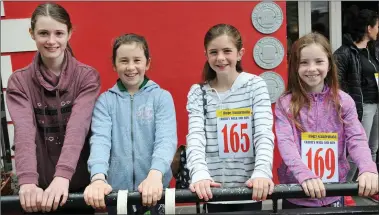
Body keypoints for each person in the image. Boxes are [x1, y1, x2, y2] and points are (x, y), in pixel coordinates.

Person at [6, 2, 100, 214]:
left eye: (58, 33)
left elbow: (78, 128)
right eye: (43, 33)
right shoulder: (19, 82)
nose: (51, 41)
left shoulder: (87, 77)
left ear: (69, 33)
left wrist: (63, 176)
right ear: (32, 33)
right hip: (37, 189)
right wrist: (28, 181)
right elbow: (24, 132)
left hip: (77, 185)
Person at [276, 32, 379, 209]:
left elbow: (356, 138)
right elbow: (286, 142)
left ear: (330, 65)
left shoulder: (344, 101)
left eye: (319, 61)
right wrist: (305, 175)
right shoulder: (286, 103)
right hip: (297, 192)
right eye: (304, 62)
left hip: (333, 191)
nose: (311, 68)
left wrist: (368, 168)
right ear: (295, 66)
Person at [83, 33, 177, 215]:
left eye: (137, 60)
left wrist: (155, 175)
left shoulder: (161, 97)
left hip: (156, 189)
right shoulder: (105, 101)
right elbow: (100, 141)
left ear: (147, 63)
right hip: (118, 194)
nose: (131, 67)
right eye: (124, 61)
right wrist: (98, 178)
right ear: (114, 64)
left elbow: (166, 140)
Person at [185, 23, 275, 213]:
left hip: (250, 189)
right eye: (213, 52)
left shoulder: (255, 86)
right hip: (213, 191)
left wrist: (262, 172)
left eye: (227, 51)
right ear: (206, 55)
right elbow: (195, 138)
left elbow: (263, 133)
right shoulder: (197, 92)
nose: (220, 58)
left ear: (240, 53)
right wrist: (200, 174)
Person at [334, 9, 379, 204]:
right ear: (368, 28)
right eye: (377, 26)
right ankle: (344, 188)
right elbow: (336, 82)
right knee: (355, 150)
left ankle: (369, 185)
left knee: (373, 148)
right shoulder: (345, 52)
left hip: (376, 104)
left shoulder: (373, 50)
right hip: (362, 107)